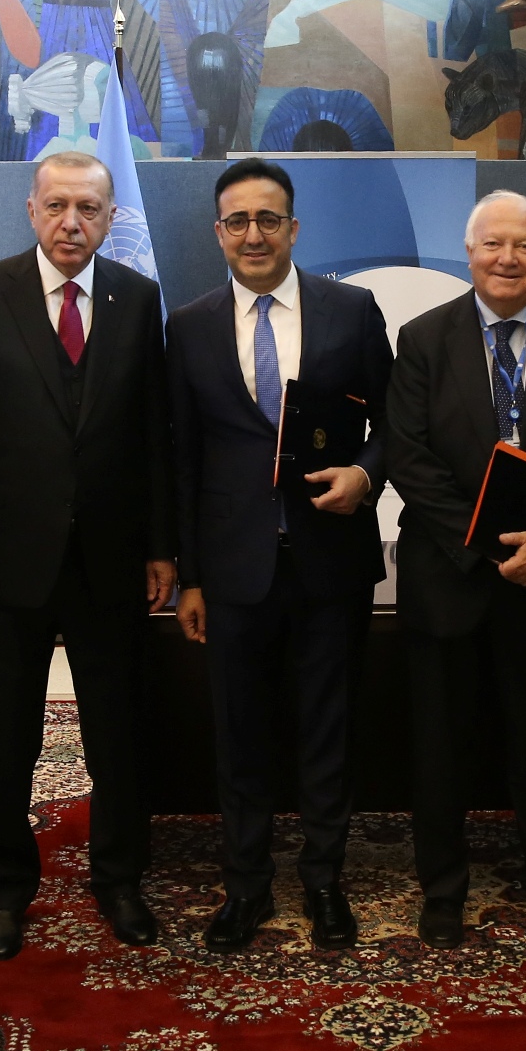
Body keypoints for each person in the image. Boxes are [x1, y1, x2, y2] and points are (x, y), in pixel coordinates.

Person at [0, 152, 177, 959]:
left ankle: (120, 881)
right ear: (31, 210)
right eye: (57, 206)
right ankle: (6, 891)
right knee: (7, 737)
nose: (72, 222)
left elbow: (154, 433)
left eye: (89, 208)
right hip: (8, 562)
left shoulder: (136, 297)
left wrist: (162, 546)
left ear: (110, 217)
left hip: (111, 558)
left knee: (119, 733)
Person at [166, 158, 391, 951]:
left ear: (294, 228)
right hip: (233, 568)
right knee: (241, 734)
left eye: (268, 219)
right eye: (238, 221)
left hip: (330, 558)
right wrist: (190, 576)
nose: (253, 234)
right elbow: (183, 458)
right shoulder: (188, 324)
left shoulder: (350, 310)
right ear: (218, 233)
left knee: (329, 727)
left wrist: (366, 474)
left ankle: (324, 882)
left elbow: (396, 418)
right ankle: (246, 887)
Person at [385, 190, 526, 949]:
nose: (507, 259)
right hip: (448, 576)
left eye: (524, 246)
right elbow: (408, 456)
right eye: (493, 244)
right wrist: (483, 543)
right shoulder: (422, 338)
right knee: (440, 745)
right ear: (469, 251)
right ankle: (443, 891)